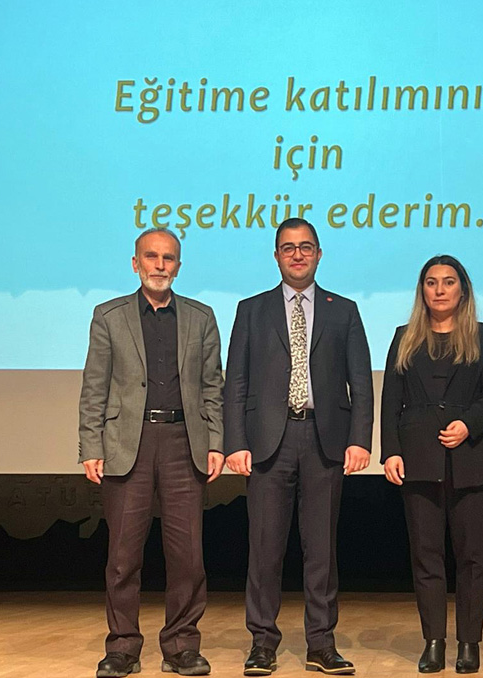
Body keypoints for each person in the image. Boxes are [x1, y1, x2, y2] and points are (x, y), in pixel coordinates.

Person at [223, 218, 373, 676]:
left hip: (324, 440)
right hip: (268, 441)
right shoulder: (251, 310)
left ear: (319, 254)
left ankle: (321, 644)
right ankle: (262, 643)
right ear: (276, 256)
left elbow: (361, 382)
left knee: (321, 550)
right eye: (288, 248)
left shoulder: (343, 310)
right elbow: (236, 382)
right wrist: (235, 442)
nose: (298, 254)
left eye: (306, 247)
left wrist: (360, 439)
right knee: (264, 549)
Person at [78, 228, 225, 678]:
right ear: (135, 263)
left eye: (169, 258)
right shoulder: (109, 316)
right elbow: (94, 386)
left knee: (188, 556)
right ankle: (122, 647)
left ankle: (181, 645)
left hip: (184, 443)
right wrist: (90, 445)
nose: (160, 265)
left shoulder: (201, 317)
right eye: (151, 257)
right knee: (123, 556)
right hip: (129, 443)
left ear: (179, 265)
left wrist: (216, 441)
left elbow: (213, 387)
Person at [380, 255, 483, 674]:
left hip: (469, 458)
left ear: (462, 290)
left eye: (448, 282)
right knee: (426, 556)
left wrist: (469, 424)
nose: (439, 290)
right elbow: (390, 399)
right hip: (418, 459)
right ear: (422, 290)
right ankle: (433, 641)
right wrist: (390, 451)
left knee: (472, 557)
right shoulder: (404, 338)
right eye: (431, 282)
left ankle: (469, 643)